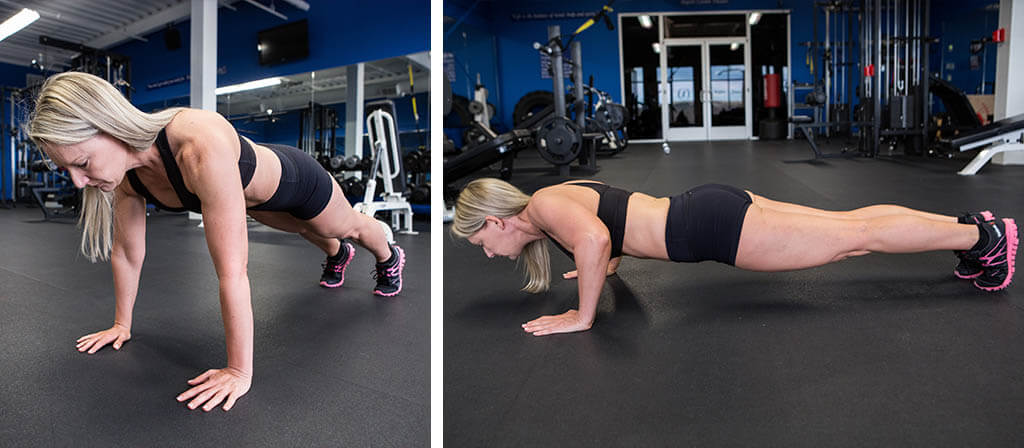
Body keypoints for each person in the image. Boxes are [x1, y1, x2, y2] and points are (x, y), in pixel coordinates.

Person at [27, 72, 406, 412]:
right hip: (258, 203)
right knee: (306, 230)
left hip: (297, 180)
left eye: (82, 163)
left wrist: (239, 371)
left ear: (109, 128)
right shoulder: (129, 177)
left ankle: (389, 256)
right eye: (68, 170)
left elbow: (232, 270)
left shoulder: (196, 142)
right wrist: (120, 324)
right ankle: (339, 255)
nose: (78, 182)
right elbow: (126, 254)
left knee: (342, 225)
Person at [452, 178, 1017, 337]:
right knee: (851, 225)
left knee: (856, 236)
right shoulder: (554, 200)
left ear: (496, 221)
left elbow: (597, 238)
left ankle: (982, 242)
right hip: (714, 208)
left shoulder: (548, 206)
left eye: (482, 242)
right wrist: (603, 263)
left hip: (715, 230)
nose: (491, 253)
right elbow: (610, 223)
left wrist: (582, 314)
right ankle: (973, 230)